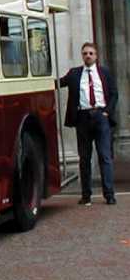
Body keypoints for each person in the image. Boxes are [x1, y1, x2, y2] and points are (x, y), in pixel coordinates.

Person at [58, 42, 118, 205]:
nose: (88, 56)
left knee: (105, 156)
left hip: (101, 117)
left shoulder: (104, 73)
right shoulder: (74, 73)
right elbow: (58, 83)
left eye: (91, 53)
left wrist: (107, 112)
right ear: (82, 55)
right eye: (85, 53)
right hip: (82, 119)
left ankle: (109, 194)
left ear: (96, 56)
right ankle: (86, 195)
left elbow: (113, 93)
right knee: (84, 158)